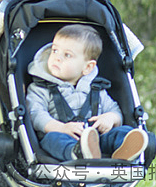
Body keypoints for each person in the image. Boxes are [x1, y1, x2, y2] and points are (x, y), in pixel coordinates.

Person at [26, 25, 148, 161]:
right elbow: (35, 114)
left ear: (87, 67)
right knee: (52, 139)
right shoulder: (40, 88)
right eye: (54, 50)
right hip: (61, 136)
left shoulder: (96, 88)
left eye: (67, 55)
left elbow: (115, 111)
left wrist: (110, 118)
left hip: (95, 140)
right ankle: (78, 153)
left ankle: (124, 151)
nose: (57, 57)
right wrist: (61, 128)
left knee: (122, 132)